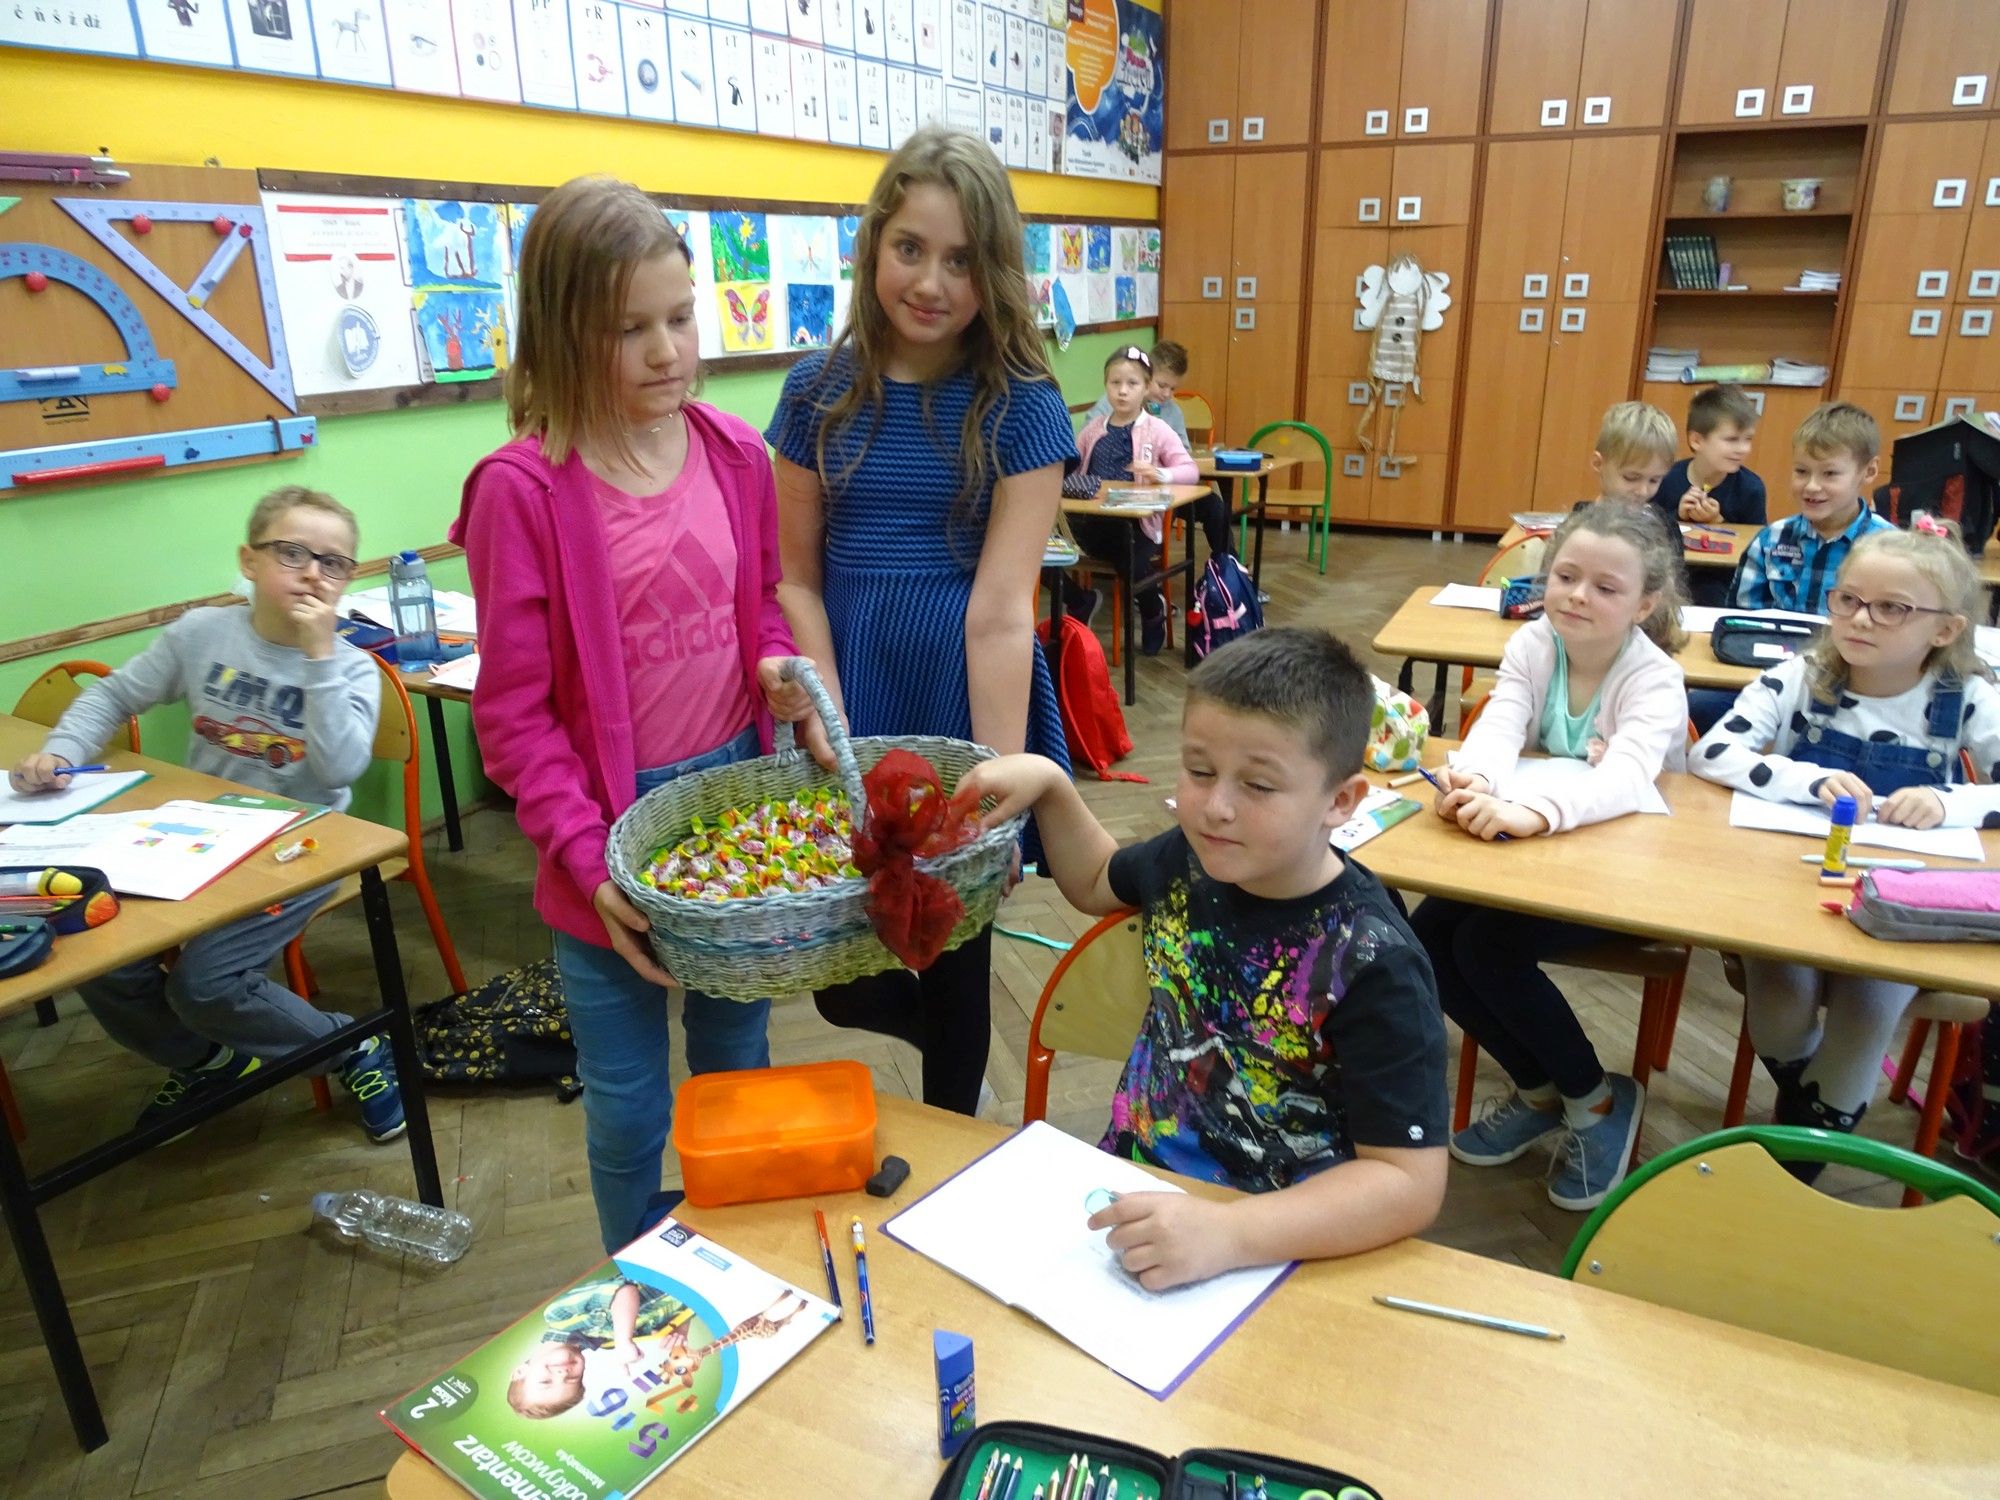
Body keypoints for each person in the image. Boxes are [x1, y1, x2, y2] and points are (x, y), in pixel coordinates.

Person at [452, 175, 824, 1254]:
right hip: (605, 837)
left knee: (737, 1070)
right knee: (625, 1106)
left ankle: (739, 1261)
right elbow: (514, 718)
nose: (668, 351)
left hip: (733, 809)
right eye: (629, 329)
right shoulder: (521, 491)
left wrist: (775, 664)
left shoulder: (734, 453)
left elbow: (759, 602)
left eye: (680, 317)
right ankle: (637, 1280)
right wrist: (588, 862)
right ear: (562, 332)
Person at [957, 629, 1448, 1291]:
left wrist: (1230, 1234)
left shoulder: (1375, 962)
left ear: (1340, 802)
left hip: (1277, 1250)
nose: (1216, 808)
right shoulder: (1189, 858)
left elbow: (1409, 1183)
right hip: (1132, 1202)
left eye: (1259, 785)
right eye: (1199, 770)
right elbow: (1097, 878)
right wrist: (1051, 784)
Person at [766, 126, 1076, 1116]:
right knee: (841, 966)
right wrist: (828, 714)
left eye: (961, 261)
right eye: (910, 248)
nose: (931, 283)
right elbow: (794, 578)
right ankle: (949, 1056)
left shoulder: (1021, 405)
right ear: (873, 247)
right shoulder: (814, 393)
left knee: (953, 948)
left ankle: (956, 1132)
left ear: (994, 274)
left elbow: (1001, 611)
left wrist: (993, 787)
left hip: (960, 698)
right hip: (850, 688)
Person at [6, 486, 405, 1142]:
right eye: (293, 553)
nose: (313, 573)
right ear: (249, 561)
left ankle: (353, 1047)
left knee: (205, 985)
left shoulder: (349, 669)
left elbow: (338, 771)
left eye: (333, 563)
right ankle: (209, 1062)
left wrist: (319, 657)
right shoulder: (202, 634)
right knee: (99, 952)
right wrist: (61, 751)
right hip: (198, 834)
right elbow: (112, 696)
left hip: (304, 847)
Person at [1691, 521, 2000, 1179]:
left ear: (1944, 629)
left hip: (1901, 910)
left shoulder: (1969, 697)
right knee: (1779, 1011)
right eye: (1848, 599)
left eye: (1892, 608)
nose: (1860, 619)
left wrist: (1948, 801)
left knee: (1865, 1008)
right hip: (1789, 892)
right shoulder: (1800, 676)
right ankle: (1813, 1115)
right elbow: (1711, 751)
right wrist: (1807, 780)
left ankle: (1789, 1173)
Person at [1410, 501, 1690, 1212]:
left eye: (1605, 587)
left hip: (1629, 876)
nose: (1576, 596)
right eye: (1566, 576)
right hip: (1544, 858)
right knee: (1429, 936)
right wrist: (1475, 779)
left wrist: (1533, 814)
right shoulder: (1535, 643)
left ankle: (1597, 1102)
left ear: (1644, 604)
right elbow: (1499, 726)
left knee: (1489, 947)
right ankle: (1540, 1091)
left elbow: (1625, 778)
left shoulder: (1654, 677)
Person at [1065, 344, 1200, 655]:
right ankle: (1080, 600)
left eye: (1132, 384)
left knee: (1130, 558)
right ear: (1106, 385)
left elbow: (1190, 470)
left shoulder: (1157, 429)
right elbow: (1071, 466)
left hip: (1138, 527)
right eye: (1115, 383)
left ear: (1146, 387)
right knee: (1039, 550)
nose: (1122, 391)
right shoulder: (1093, 430)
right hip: (1091, 523)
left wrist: (1160, 473)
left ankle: (1153, 612)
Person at [1727, 401, 1896, 614]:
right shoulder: (1771, 539)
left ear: (1869, 471)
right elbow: (1740, 617)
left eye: (1830, 473)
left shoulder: (1893, 549)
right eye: (1801, 471)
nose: (1812, 486)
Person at [508, 1272, 695, 1419]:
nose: (563, 1374)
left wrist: (623, 1341)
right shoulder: (607, 1342)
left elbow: (623, 1291)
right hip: (696, 1284)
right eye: (572, 1380)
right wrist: (679, 1331)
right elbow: (675, 1311)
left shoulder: (558, 1315)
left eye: (545, 1382)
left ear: (520, 1371)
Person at [1655, 384, 1767, 608]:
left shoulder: (1751, 488)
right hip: (1667, 575)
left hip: (1720, 583)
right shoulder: (1665, 478)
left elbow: (1757, 546)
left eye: (1748, 439)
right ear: (1697, 441)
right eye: (1732, 439)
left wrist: (1719, 522)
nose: (1743, 449)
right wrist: (1677, 516)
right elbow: (1647, 529)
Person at [1082, 337, 1191, 445]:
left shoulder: (1174, 413)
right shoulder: (1113, 402)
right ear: (1147, 376)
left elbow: (1184, 451)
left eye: (1173, 389)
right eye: (1161, 386)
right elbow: (1087, 440)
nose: (1167, 394)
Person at [1587, 400, 1678, 505]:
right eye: (1631, 478)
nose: (1643, 492)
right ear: (1598, 463)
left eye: (1654, 480)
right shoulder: (1579, 516)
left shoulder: (1659, 516)